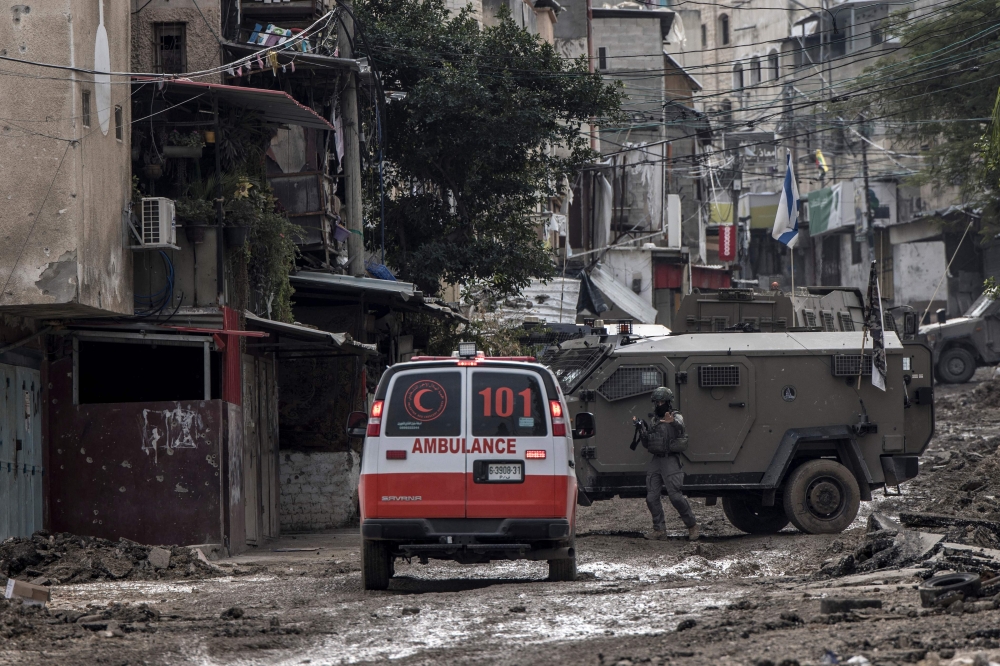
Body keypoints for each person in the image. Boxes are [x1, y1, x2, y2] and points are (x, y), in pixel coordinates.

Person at [636, 387, 699, 541]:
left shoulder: (676, 416)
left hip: (670, 459)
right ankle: (659, 530)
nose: (659, 404)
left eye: (662, 401)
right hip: (656, 460)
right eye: (657, 401)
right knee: (651, 498)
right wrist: (642, 431)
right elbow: (648, 443)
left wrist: (672, 422)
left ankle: (692, 526)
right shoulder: (654, 419)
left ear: (668, 402)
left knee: (676, 497)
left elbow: (680, 427)